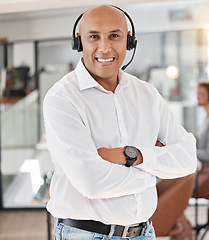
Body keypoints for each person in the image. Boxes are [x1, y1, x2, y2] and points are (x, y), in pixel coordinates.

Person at [43, 5, 197, 240]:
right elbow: (91, 182)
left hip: (145, 232)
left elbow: (187, 158)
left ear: (129, 41)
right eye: (94, 36)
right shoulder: (62, 98)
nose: (104, 47)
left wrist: (132, 156)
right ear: (79, 42)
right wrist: (153, 172)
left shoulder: (147, 94)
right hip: (85, 234)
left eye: (115, 36)